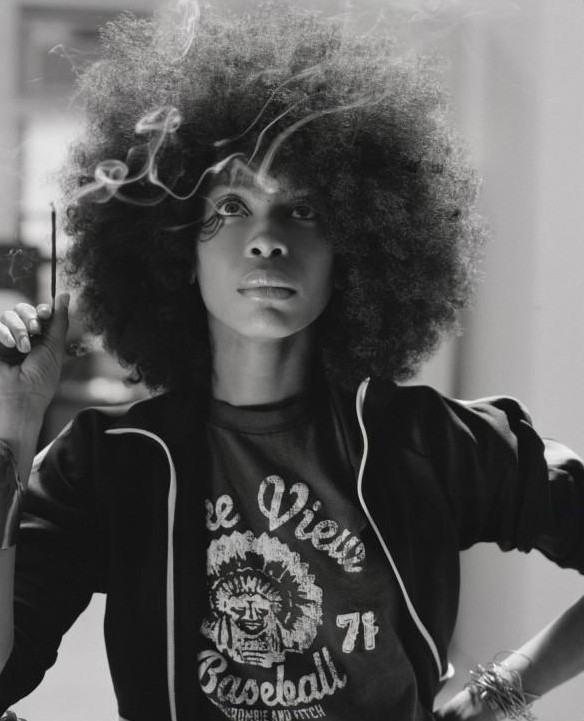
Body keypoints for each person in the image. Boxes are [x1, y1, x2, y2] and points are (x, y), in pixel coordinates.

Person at [0, 2, 583, 720]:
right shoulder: (109, 463)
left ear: (354, 250)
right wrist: (11, 432)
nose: (267, 238)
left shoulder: (429, 443)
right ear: (179, 251)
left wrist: (503, 691)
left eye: (304, 210)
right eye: (231, 206)